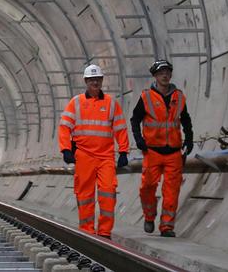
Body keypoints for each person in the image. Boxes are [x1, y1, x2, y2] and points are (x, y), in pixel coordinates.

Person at [58, 64, 130, 238]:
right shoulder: (76, 102)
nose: (95, 82)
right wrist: (66, 149)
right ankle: (87, 231)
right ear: (86, 81)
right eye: (91, 80)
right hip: (84, 156)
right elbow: (64, 127)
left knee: (108, 192)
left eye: (97, 79)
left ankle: (105, 232)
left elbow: (120, 128)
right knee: (85, 195)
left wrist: (123, 152)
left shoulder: (111, 104)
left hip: (106, 157)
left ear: (102, 80)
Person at [131, 59, 193, 238]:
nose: (164, 75)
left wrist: (189, 138)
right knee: (147, 187)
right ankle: (149, 216)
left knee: (172, 191)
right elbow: (135, 120)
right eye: (161, 73)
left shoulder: (179, 97)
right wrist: (139, 139)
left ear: (170, 75)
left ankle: (166, 226)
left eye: (167, 72)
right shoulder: (146, 97)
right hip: (152, 151)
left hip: (174, 151)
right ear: (155, 76)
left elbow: (185, 119)